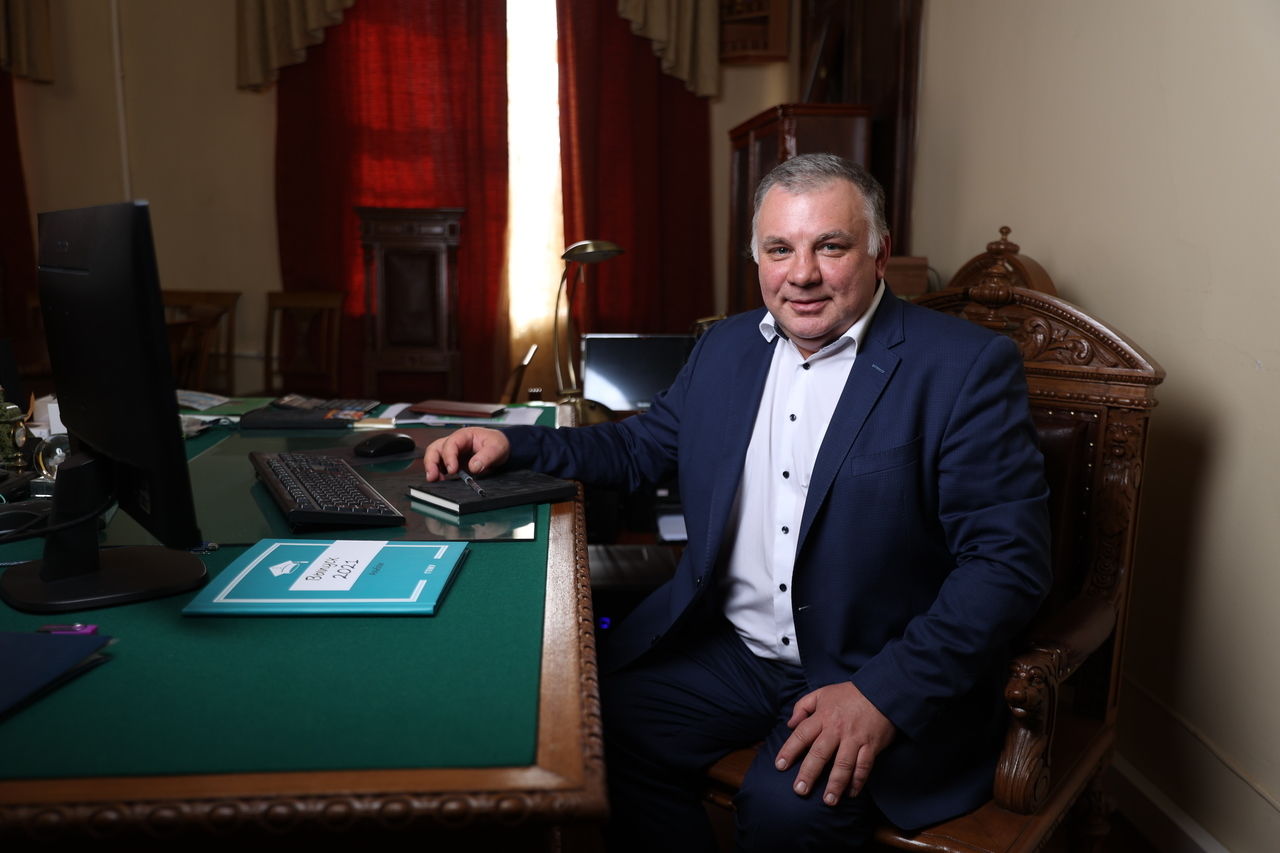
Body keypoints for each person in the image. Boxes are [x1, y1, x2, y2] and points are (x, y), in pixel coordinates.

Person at [424, 154, 1051, 851]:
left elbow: (1006, 564)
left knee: (787, 811)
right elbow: (636, 449)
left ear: (879, 253)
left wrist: (884, 693)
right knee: (590, 732)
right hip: (735, 652)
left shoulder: (964, 367)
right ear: (757, 258)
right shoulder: (726, 346)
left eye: (830, 246)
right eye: (779, 249)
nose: (801, 274)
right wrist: (514, 444)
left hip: (867, 666)